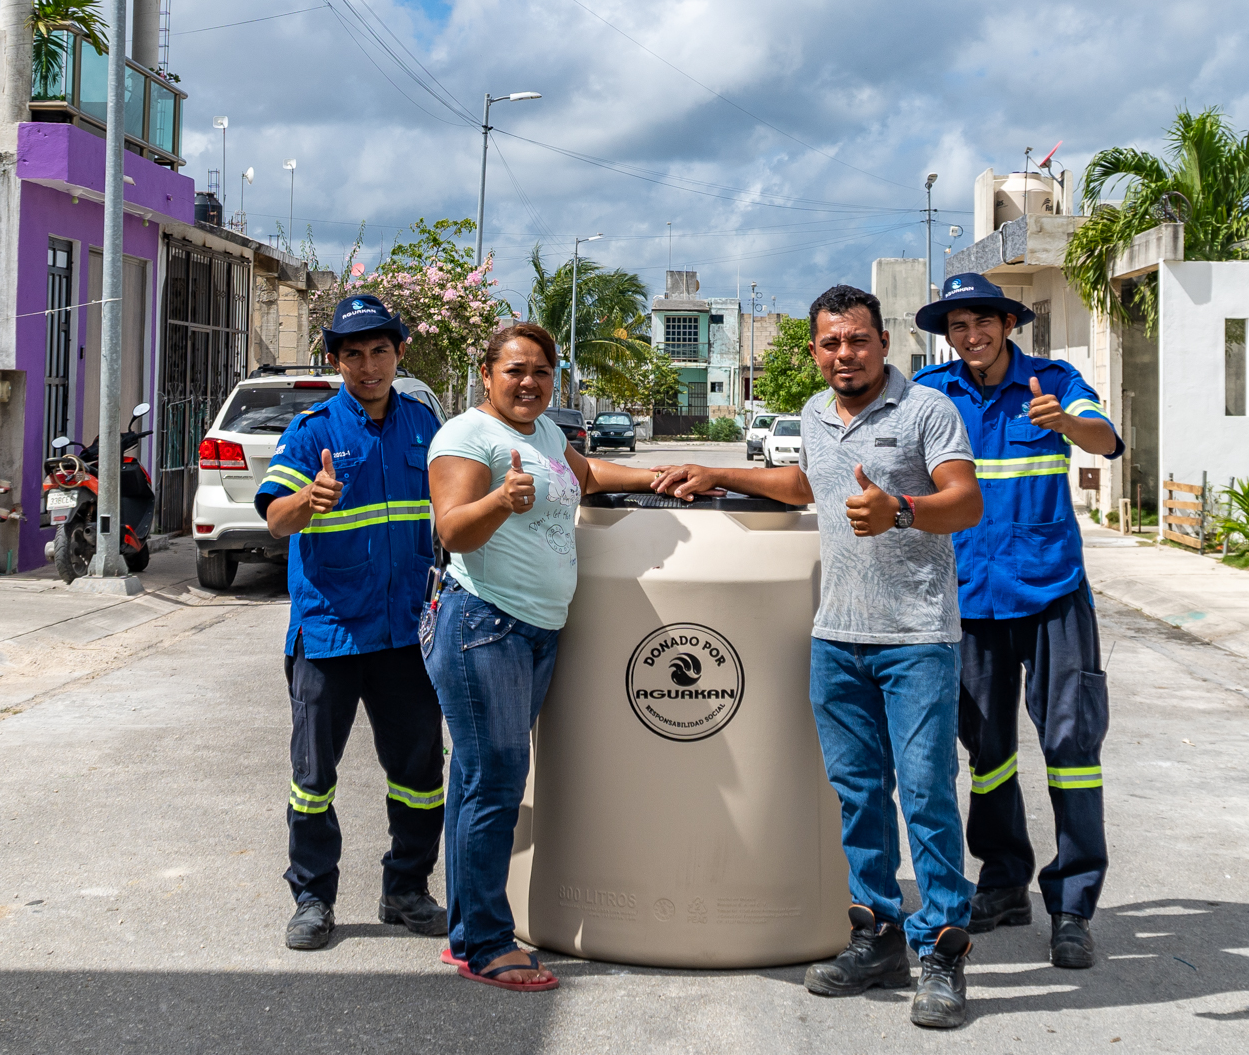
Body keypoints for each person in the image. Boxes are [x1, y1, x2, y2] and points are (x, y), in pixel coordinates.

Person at [650, 285, 984, 1030]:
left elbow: (965, 501)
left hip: (916, 638)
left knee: (926, 796)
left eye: (858, 340)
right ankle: (878, 937)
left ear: (883, 342)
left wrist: (902, 507)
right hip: (836, 636)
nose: (845, 354)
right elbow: (807, 484)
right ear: (814, 350)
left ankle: (943, 953)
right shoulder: (810, 413)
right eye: (831, 343)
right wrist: (723, 474)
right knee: (860, 796)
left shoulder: (928, 410)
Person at [426, 322, 660, 990]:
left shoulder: (547, 434)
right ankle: (485, 944)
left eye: (540, 371)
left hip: (535, 630)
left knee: (480, 780)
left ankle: (466, 932)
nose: (528, 382)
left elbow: (586, 477)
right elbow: (450, 527)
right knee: (494, 781)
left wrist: (661, 478)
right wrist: (500, 500)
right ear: (486, 374)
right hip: (483, 626)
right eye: (515, 370)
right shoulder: (468, 436)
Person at [912, 271, 1124, 970]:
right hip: (969, 600)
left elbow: (1105, 439)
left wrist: (1067, 424)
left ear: (1007, 324)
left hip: (1052, 592)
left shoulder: (1054, 380)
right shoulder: (934, 395)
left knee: (1070, 747)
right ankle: (1003, 883)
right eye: (957, 326)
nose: (970, 336)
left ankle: (1071, 905)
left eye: (982, 322)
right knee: (989, 752)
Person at [253, 293, 447, 951]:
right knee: (313, 779)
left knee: (419, 774)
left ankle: (407, 889)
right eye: (354, 354)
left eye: (380, 352)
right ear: (336, 360)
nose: (369, 366)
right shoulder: (311, 432)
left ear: (398, 355)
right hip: (330, 632)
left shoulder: (424, 426)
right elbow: (274, 517)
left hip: (404, 634)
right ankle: (312, 897)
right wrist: (309, 497)